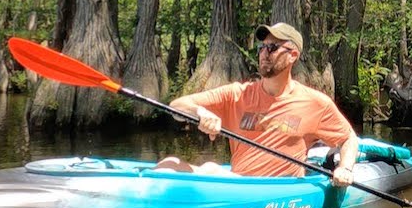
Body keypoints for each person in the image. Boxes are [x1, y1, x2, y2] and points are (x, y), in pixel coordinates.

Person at [154, 22, 360, 187]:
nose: (264, 53)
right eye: (262, 48)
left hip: (278, 190)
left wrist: (345, 168)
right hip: (239, 184)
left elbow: (348, 138)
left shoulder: (316, 103)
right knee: (169, 164)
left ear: (293, 56)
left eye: (272, 48)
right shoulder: (236, 94)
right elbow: (177, 105)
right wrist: (199, 112)